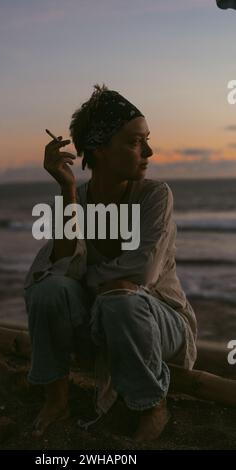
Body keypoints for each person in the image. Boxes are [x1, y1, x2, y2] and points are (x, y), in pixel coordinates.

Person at [23, 83, 197, 443]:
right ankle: (57, 400)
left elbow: (142, 272)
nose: (149, 151)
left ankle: (152, 405)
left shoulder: (155, 196)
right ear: (99, 149)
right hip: (102, 321)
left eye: (147, 139)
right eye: (135, 142)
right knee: (49, 290)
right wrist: (67, 191)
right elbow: (58, 269)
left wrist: (92, 282)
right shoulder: (79, 199)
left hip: (160, 324)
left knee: (120, 296)